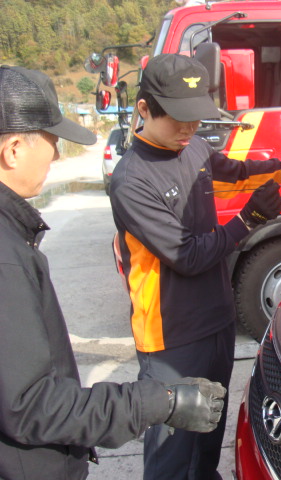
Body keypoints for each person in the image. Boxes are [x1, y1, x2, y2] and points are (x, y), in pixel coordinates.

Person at [108, 53, 281, 479]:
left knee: (209, 431)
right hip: (171, 335)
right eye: (179, 118)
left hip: (215, 319)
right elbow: (187, 255)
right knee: (173, 452)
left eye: (196, 117)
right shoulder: (131, 180)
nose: (189, 128)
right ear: (144, 109)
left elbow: (238, 173)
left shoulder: (193, 146)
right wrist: (248, 220)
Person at [0, 64, 227, 480]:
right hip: (169, 337)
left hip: (212, 322)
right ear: (13, 150)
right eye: (52, 141)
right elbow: (30, 405)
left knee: (203, 452)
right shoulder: (6, 259)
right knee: (172, 461)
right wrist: (155, 402)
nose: (56, 155)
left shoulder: (14, 236)